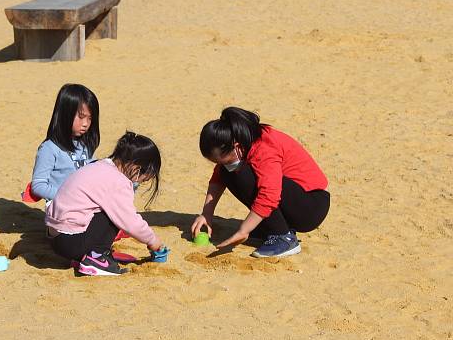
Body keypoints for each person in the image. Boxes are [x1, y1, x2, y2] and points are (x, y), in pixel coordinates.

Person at [191, 107, 330, 258]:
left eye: (220, 160)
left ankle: (283, 237)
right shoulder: (241, 141)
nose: (218, 164)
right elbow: (218, 178)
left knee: (243, 175)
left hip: (311, 206)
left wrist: (244, 230)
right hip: (294, 199)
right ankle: (272, 227)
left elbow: (269, 194)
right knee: (227, 171)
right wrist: (206, 214)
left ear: (236, 147)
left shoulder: (264, 148)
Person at [46, 132, 166, 276]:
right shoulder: (118, 181)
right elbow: (130, 221)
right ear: (137, 168)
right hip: (71, 242)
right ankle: (97, 257)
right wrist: (154, 242)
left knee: (107, 210)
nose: (138, 183)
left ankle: (83, 256)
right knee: (115, 215)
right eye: (143, 179)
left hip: (55, 238)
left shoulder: (99, 165)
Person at [29, 83, 100, 203]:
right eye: (81, 117)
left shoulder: (85, 144)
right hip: (62, 210)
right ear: (65, 115)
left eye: (90, 118)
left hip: (84, 204)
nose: (86, 123)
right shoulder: (49, 148)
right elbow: (38, 185)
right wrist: (68, 196)